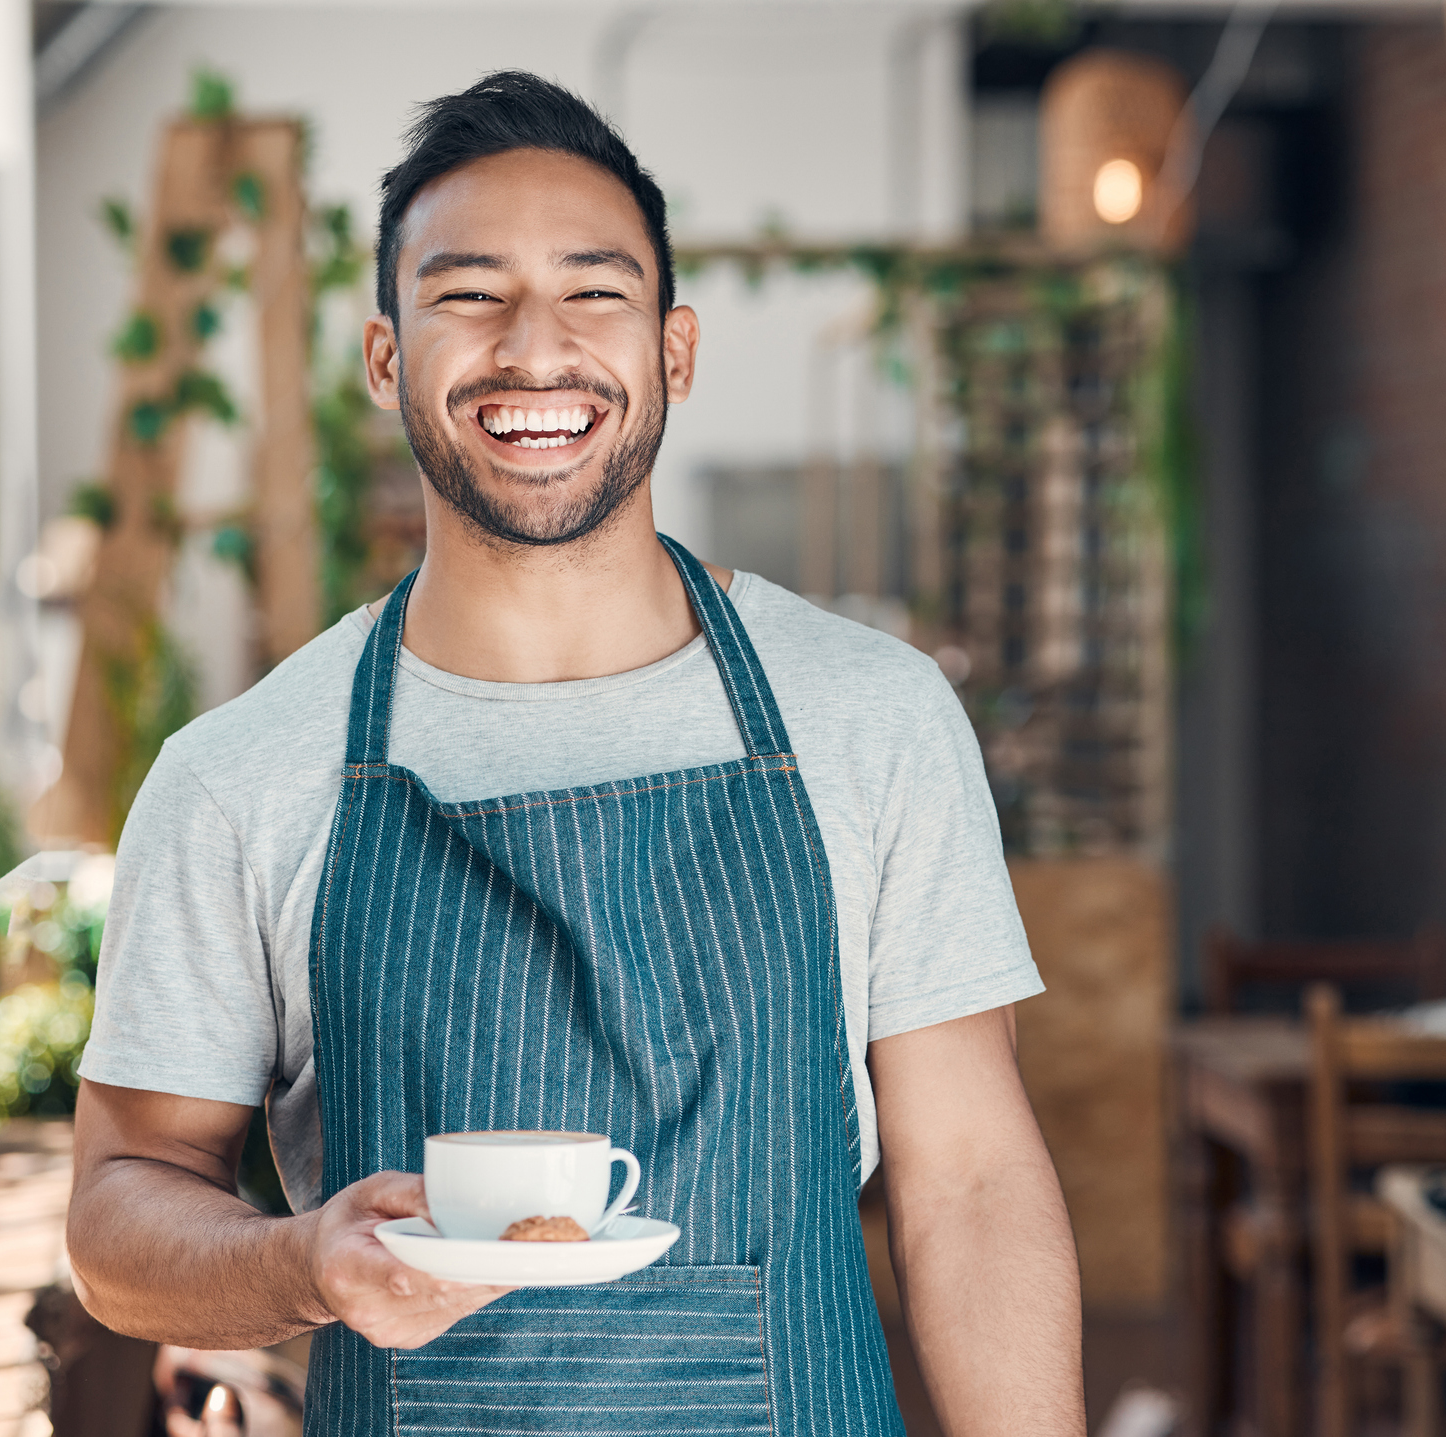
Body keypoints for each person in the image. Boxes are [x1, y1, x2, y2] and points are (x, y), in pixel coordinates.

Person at [66, 70, 1083, 1437]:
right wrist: (296, 1262)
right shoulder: (238, 773)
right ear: (384, 356)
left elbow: (967, 1183)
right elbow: (119, 1209)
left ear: (673, 351)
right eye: (468, 293)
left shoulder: (871, 717)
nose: (532, 349)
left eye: (593, 292)